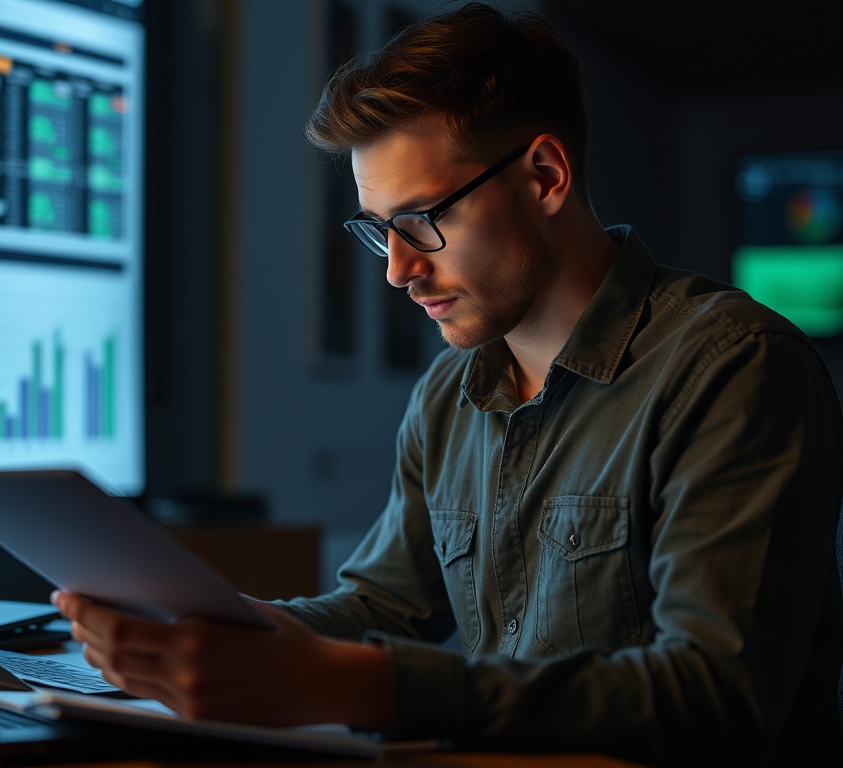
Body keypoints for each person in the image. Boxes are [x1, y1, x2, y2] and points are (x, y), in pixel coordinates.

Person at [51, 3, 843, 765]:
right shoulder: (447, 392)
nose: (398, 270)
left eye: (425, 219)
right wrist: (225, 631)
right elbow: (385, 610)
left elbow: (715, 702)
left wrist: (370, 687)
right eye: (378, 230)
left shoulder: (736, 366)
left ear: (543, 175)